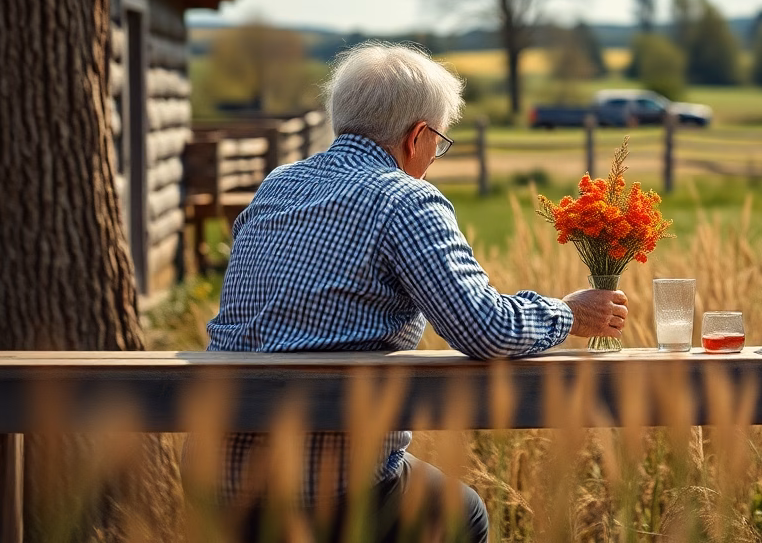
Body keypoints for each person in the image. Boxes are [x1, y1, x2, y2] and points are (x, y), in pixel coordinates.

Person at [194, 42, 629, 542]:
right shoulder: (404, 199)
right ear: (417, 135)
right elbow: (484, 329)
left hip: (217, 475)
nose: (433, 158)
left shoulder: (278, 184)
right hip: (328, 488)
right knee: (462, 514)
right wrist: (569, 314)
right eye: (439, 143)